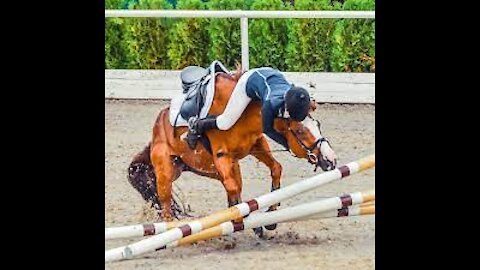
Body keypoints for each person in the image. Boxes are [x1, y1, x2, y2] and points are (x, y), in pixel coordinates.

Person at [187, 66, 312, 150]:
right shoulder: (270, 104)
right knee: (225, 122)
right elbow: (267, 129)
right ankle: (197, 125)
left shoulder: (296, 95)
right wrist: (287, 145)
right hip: (250, 82)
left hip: (271, 75)